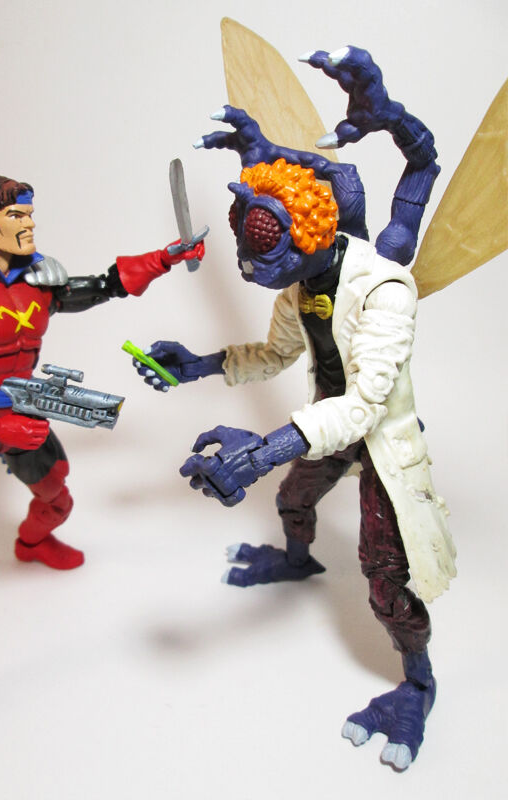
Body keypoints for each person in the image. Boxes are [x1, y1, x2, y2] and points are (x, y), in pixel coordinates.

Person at [133, 48, 455, 770]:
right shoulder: (300, 285)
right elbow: (276, 355)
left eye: (263, 239)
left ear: (308, 234)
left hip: (377, 440)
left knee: (383, 576)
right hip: (324, 424)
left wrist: (260, 451)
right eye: (246, 232)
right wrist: (199, 364)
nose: (249, 261)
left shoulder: (384, 285)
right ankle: (297, 560)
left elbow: (365, 406)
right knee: (293, 499)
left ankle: (418, 683)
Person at [0, 173, 205, 752]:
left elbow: (101, 286)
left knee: (59, 497)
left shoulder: (39, 278)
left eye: (29, 214)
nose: (29, 224)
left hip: (24, 411)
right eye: (16, 217)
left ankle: (32, 543)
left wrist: (165, 258)